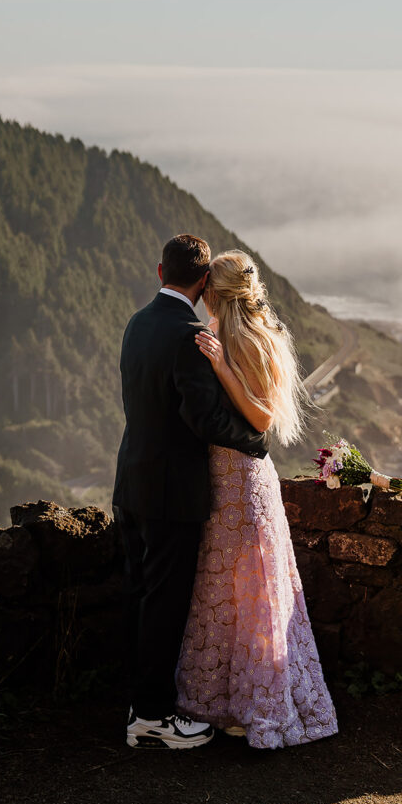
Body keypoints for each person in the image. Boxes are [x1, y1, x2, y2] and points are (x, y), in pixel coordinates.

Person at [175, 249, 339, 748]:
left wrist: (223, 367)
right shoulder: (221, 334)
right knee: (223, 587)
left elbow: (263, 418)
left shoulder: (251, 341)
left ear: (214, 294)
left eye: (204, 291)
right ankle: (226, 701)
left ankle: (257, 705)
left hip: (244, 478)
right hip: (222, 477)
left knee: (255, 590)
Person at [113, 234, 268, 750]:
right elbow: (203, 418)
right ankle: (154, 720)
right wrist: (256, 442)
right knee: (164, 602)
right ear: (204, 283)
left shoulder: (137, 323)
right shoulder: (188, 334)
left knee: (138, 595)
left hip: (130, 482)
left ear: (160, 272)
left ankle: (139, 705)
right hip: (170, 493)